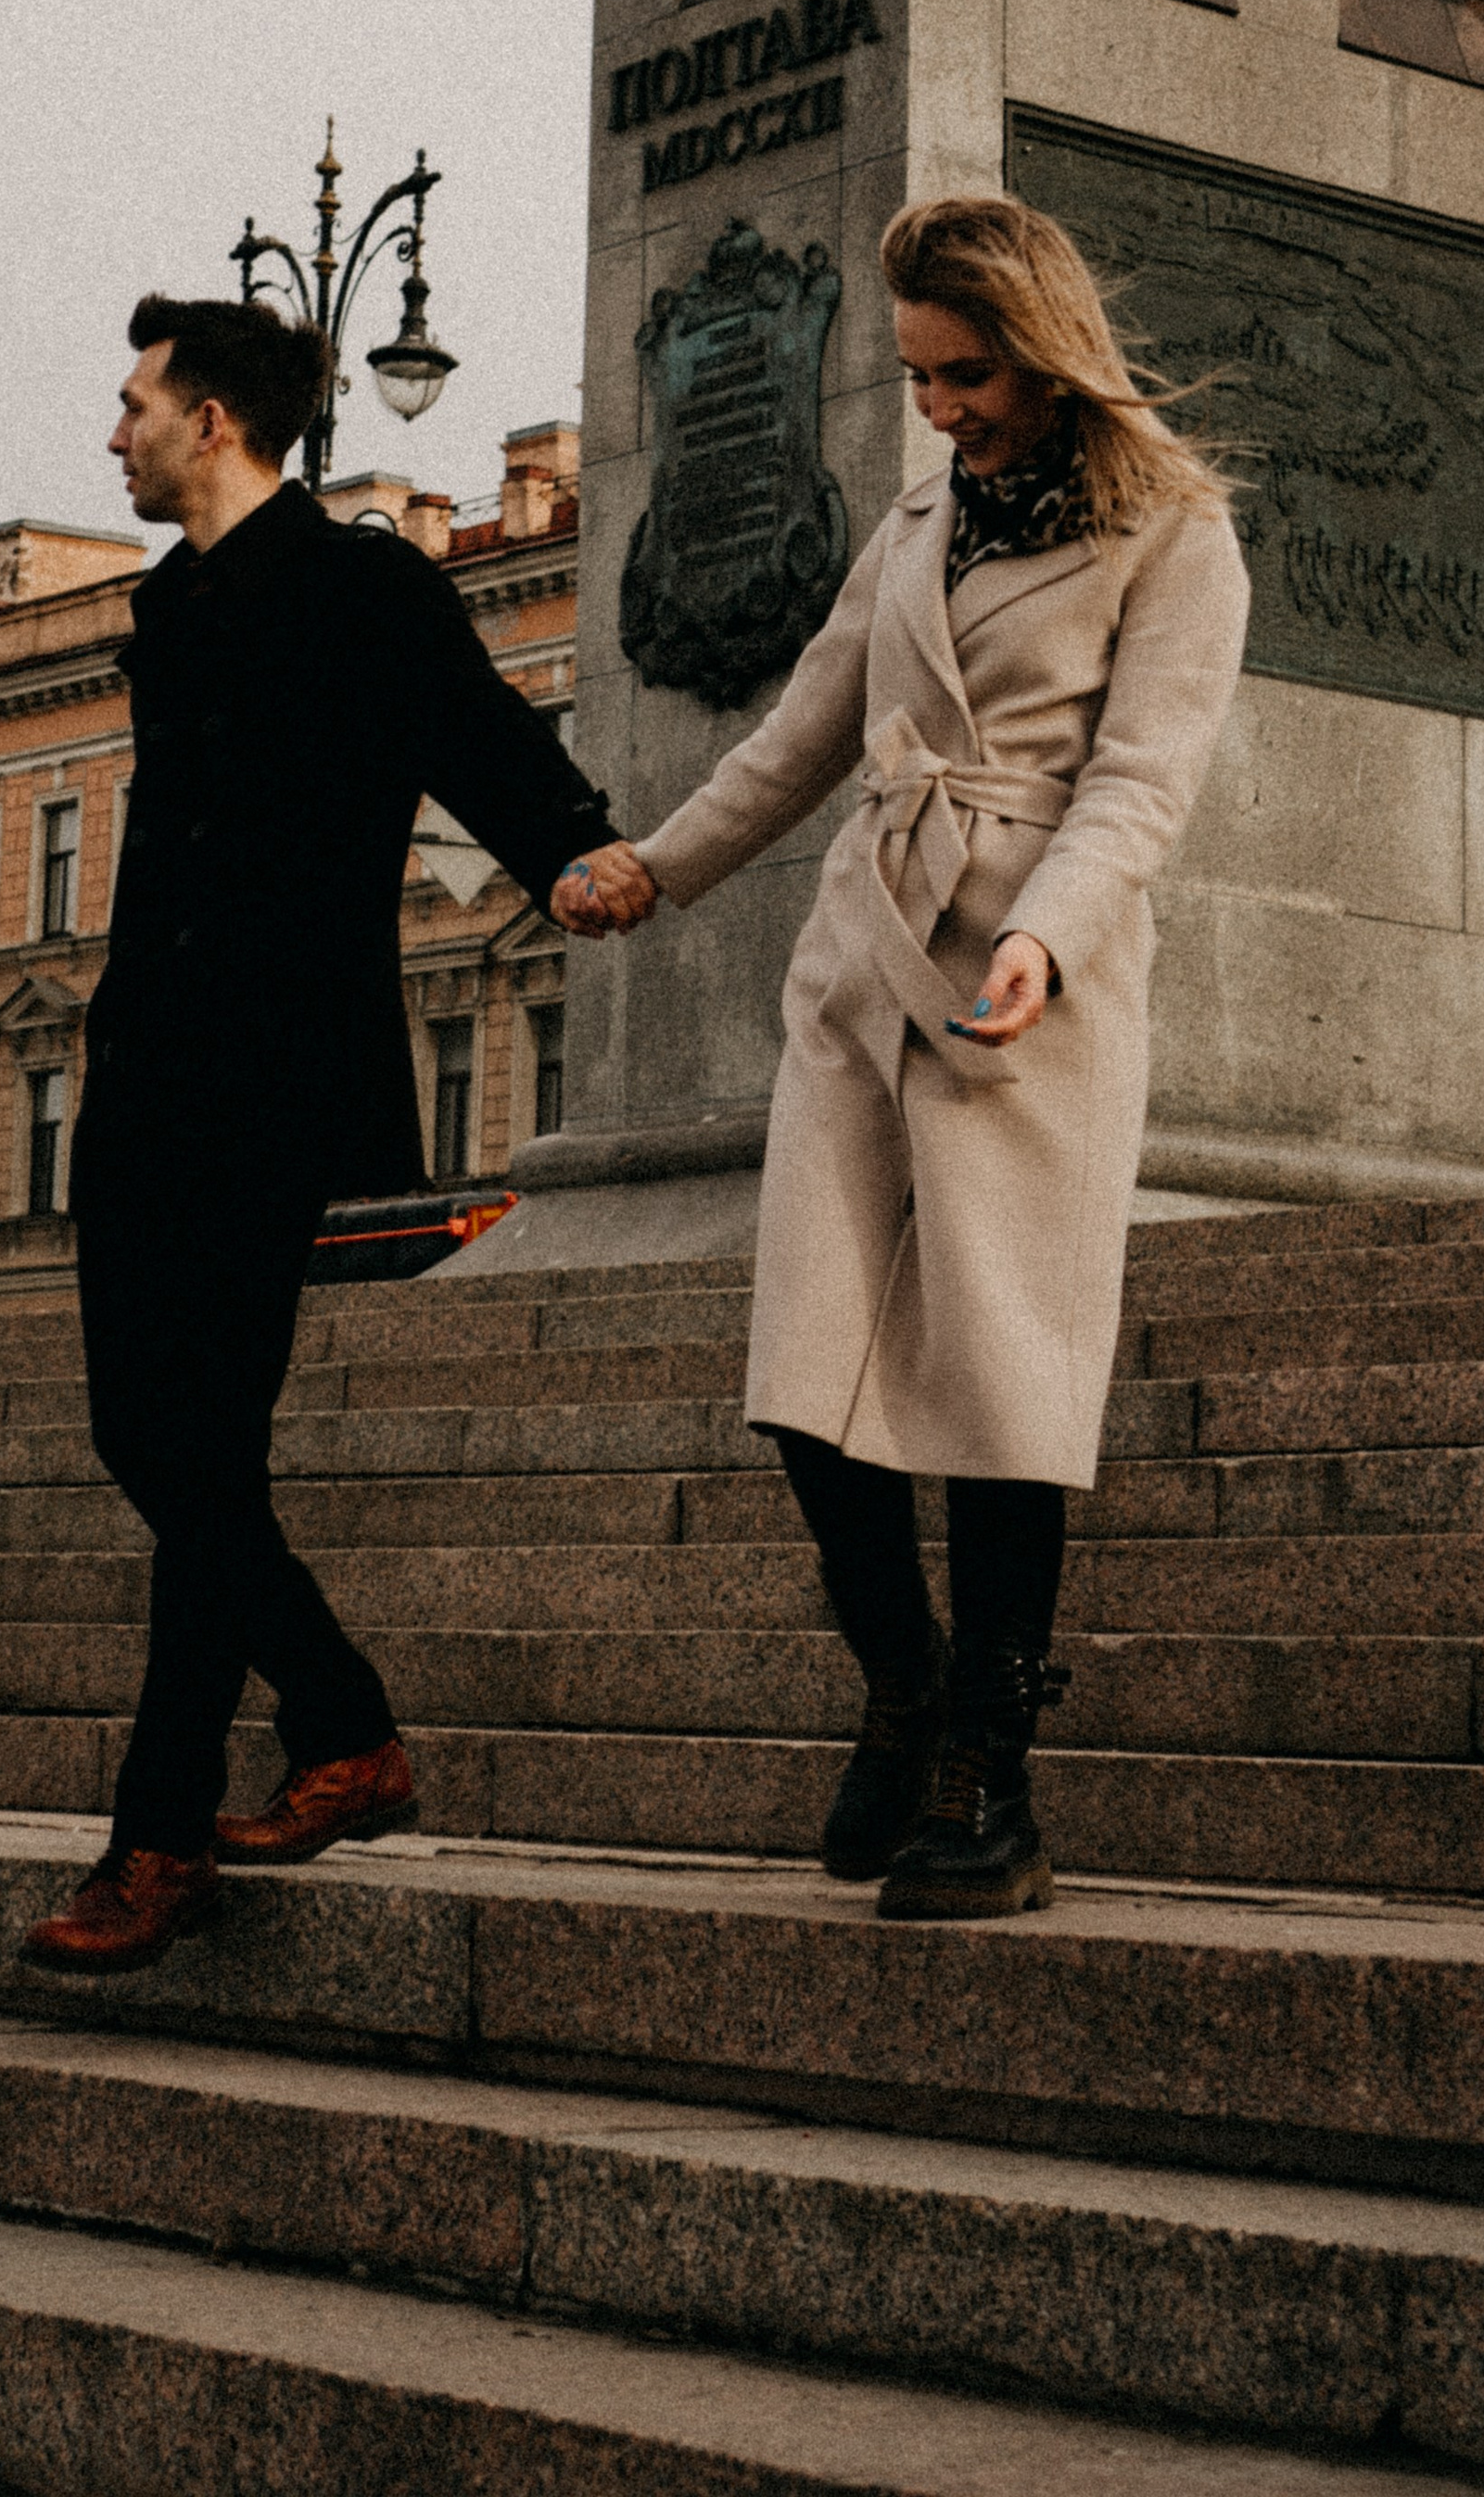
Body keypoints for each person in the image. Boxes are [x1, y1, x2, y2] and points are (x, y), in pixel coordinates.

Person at [578, 196, 1249, 1919]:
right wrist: (655, 864)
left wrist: (1048, 933)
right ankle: (905, 1678)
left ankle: (992, 1781)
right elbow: (807, 729)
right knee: (808, 1364)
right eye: (917, 379)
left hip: (1030, 972)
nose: (937, 410)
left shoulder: (1175, 531)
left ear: (1044, 353)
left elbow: (1144, 782)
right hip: (868, 954)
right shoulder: (921, 514)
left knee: (1007, 1384)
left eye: (964, 377)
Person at [20, 292, 626, 1973]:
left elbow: (477, 731)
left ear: (212, 420)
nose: (116, 430)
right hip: (145, 1070)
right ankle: (347, 1727)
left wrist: (574, 848)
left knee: (199, 1446)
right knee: (150, 1445)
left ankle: (156, 1840)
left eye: (134, 400)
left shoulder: (361, 579)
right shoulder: (169, 600)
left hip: (275, 1077)